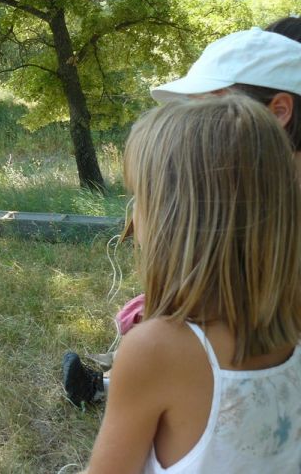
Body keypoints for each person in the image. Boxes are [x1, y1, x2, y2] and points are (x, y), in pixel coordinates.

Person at [62, 18, 301, 406]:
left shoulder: (267, 200)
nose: (198, 129)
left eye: (215, 109)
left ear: (279, 111)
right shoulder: (243, 185)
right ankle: (110, 382)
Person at [82, 95, 301, 473]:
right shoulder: (292, 322)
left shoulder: (155, 350)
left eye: (139, 197)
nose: (134, 215)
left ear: (172, 219)